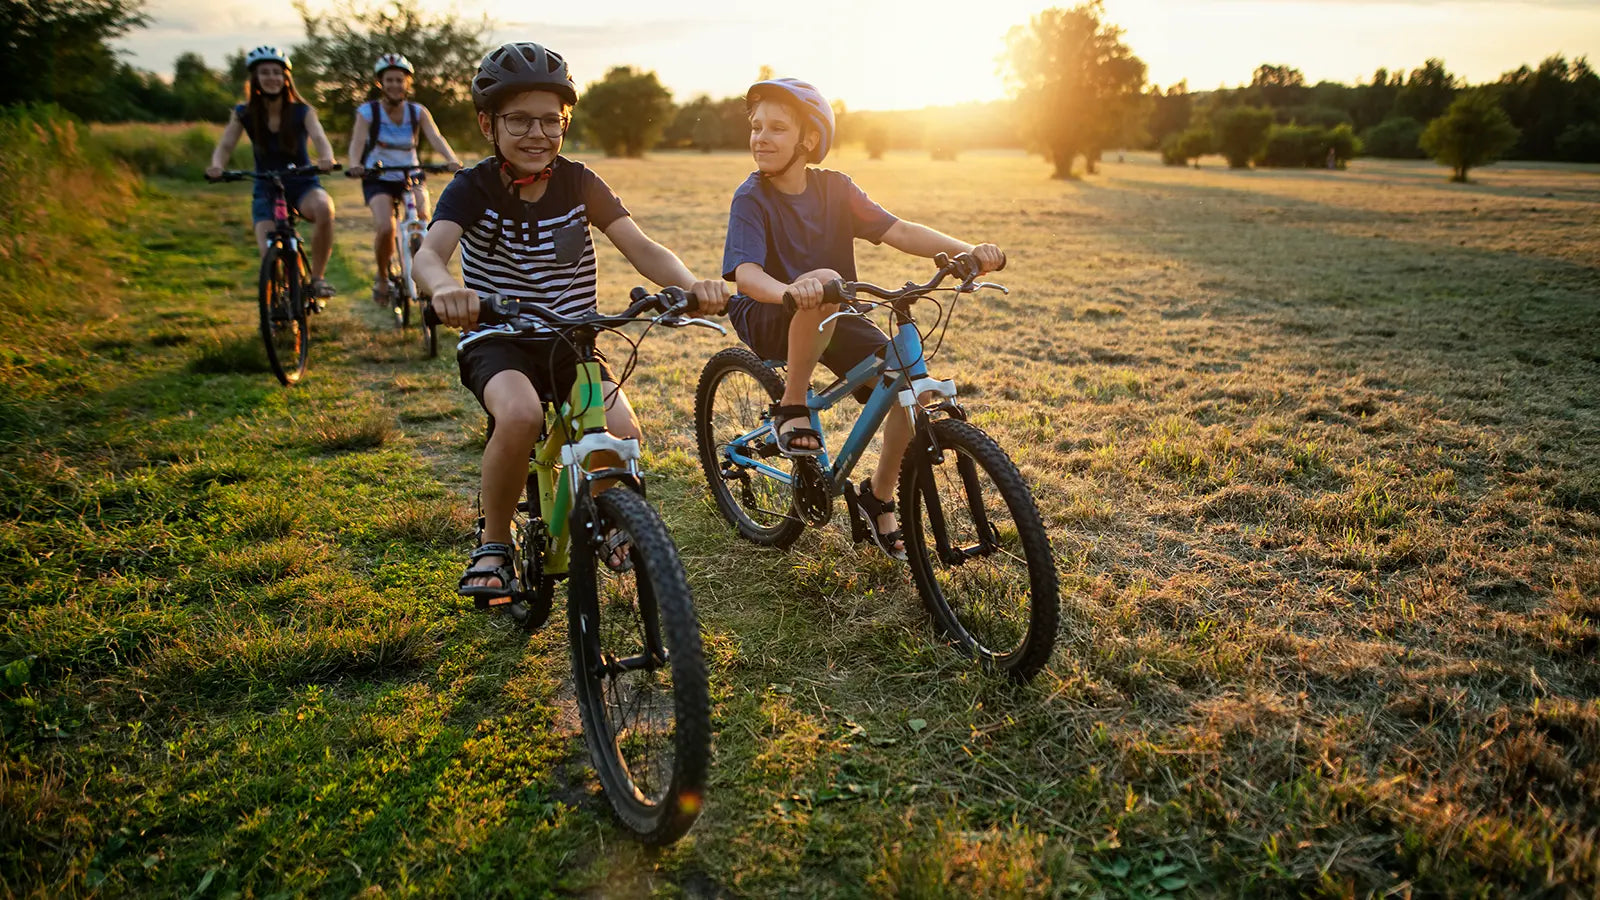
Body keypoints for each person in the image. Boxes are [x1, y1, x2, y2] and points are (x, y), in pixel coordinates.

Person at [413, 41, 730, 605]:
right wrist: (446, 291)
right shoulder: (472, 186)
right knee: (519, 414)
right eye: (519, 120)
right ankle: (493, 543)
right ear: (488, 122)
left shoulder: (580, 181)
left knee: (624, 434)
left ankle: (611, 522)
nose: (537, 134)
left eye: (551, 121)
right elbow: (429, 255)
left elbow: (641, 246)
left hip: (572, 337)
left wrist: (686, 285)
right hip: (499, 338)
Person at [723, 77, 1005, 560]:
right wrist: (790, 291)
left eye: (776, 128)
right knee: (826, 284)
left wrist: (967, 252)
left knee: (904, 386)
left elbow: (898, 229)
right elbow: (746, 274)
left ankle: (877, 496)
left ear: (808, 140)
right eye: (755, 127)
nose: (760, 138)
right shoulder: (751, 198)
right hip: (771, 311)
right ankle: (791, 406)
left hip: (834, 311)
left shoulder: (835, 188)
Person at [206, 46, 339, 299]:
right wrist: (216, 166)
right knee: (270, 253)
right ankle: (281, 298)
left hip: (302, 182)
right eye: (264, 73)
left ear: (286, 78)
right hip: (266, 186)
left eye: (277, 73)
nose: (271, 78)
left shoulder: (303, 111)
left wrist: (326, 158)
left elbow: (320, 138)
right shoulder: (243, 113)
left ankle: (318, 278)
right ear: (255, 79)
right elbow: (225, 145)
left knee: (324, 208)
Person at [345, 53, 463, 305]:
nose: (395, 85)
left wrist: (451, 159)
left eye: (400, 80)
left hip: (410, 174)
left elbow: (436, 137)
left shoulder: (417, 112)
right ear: (381, 83)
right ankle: (381, 277)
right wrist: (355, 164)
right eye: (389, 80)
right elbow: (356, 142)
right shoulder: (368, 112)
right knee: (386, 226)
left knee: (424, 220)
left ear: (408, 83)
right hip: (379, 176)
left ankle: (426, 271)